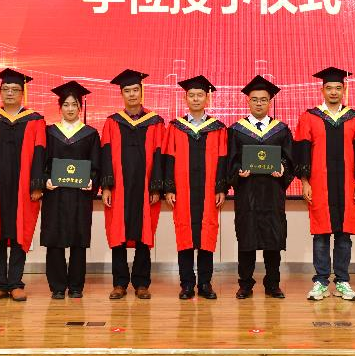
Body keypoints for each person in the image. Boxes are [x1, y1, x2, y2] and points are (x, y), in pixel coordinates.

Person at [295, 67, 355, 301]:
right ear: (322, 90)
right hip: (319, 184)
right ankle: (320, 282)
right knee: (321, 233)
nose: (334, 92)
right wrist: (305, 182)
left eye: (338, 88)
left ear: (344, 90)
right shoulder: (310, 117)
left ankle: (343, 281)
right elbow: (302, 151)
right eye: (329, 88)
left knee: (344, 234)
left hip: (348, 184)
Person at [0, 68, 45, 302]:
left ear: (23, 93)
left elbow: (40, 153)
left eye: (15, 89)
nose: (10, 93)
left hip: (23, 185)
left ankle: (15, 283)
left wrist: (37, 184)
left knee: (19, 232)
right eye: (6, 89)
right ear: (0, 92)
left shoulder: (35, 120)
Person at [227, 75, 295, 299]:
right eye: (255, 99)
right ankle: (245, 284)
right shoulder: (237, 130)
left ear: (270, 102)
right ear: (248, 101)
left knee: (273, 240)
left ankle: (272, 284)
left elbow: (289, 159)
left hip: (272, 193)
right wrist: (238, 170)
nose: (259, 103)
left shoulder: (281, 130)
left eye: (263, 100)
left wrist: (283, 168)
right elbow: (230, 160)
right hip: (247, 194)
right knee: (246, 239)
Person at [100, 69, 165, 300]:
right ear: (122, 94)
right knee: (117, 232)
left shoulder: (155, 122)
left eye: (135, 90)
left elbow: (159, 155)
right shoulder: (112, 122)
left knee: (144, 234)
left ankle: (141, 283)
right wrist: (106, 186)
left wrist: (156, 187)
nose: (132, 94)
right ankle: (119, 283)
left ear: (141, 91)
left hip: (145, 187)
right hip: (119, 187)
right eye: (127, 91)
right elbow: (106, 154)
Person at [162, 75, 227, 300]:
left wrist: (221, 188)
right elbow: (168, 158)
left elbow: (222, 159)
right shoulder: (175, 127)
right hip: (183, 190)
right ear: (185, 98)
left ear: (207, 99)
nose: (196, 99)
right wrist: (169, 188)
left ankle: (205, 283)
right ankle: (187, 284)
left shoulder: (218, 128)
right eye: (192, 95)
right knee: (185, 235)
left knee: (207, 234)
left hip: (209, 191)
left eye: (200, 95)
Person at [41, 81, 100, 300]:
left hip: (79, 195)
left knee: (78, 239)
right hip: (55, 194)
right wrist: (45, 180)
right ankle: (57, 286)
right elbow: (41, 162)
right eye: (66, 104)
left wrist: (91, 181)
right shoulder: (49, 132)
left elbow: (96, 165)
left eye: (74, 104)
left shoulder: (90, 134)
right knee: (54, 239)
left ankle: (76, 285)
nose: (70, 109)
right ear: (60, 107)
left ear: (80, 107)